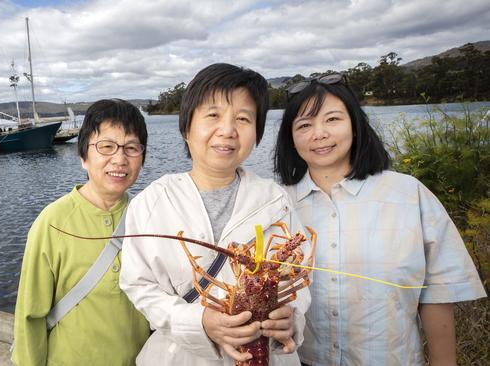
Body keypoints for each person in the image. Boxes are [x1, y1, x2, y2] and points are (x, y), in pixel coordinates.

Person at [273, 73, 487, 366]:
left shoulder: (408, 194)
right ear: (290, 137)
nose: (319, 133)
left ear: (355, 125)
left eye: (332, 119)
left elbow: (438, 292)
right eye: (304, 125)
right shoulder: (276, 205)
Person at [120, 63, 311, 366]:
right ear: (186, 127)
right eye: (213, 115)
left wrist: (291, 320)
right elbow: (138, 285)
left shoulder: (275, 200)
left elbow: (300, 280)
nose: (228, 130)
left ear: (257, 133)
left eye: (243, 118)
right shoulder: (152, 201)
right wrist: (199, 322)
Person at [12, 99, 151, 365]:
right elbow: (29, 317)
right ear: (83, 157)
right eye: (106, 147)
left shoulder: (148, 216)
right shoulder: (52, 222)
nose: (120, 158)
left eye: (131, 148)